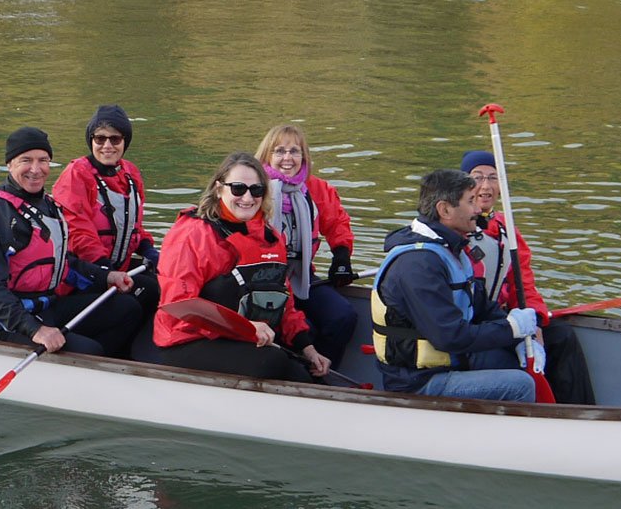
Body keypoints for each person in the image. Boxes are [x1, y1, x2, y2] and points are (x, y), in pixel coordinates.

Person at [0, 127, 143, 358]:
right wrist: (35, 330)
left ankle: (100, 370)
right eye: (25, 160)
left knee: (127, 309)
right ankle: (89, 367)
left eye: (43, 160)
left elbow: (62, 263)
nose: (36, 169)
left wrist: (107, 276)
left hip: (45, 306)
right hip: (4, 320)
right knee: (90, 351)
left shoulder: (47, 204)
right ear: (9, 164)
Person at [154, 152, 330, 382]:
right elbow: (179, 305)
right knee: (273, 361)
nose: (247, 198)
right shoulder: (191, 234)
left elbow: (283, 299)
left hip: (243, 336)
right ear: (219, 189)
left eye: (256, 190)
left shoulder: (271, 237)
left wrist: (307, 347)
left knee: (305, 369)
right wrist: (245, 328)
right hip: (187, 339)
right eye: (238, 188)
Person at [370, 169, 536, 402]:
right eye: (470, 202)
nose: (478, 209)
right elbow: (450, 337)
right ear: (445, 210)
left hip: (450, 360)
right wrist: (511, 329)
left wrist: (519, 338)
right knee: (520, 385)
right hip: (419, 381)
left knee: (510, 358)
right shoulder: (418, 265)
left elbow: (480, 305)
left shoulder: (450, 248)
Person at [460, 150, 595, 405]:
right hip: (476, 321)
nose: (485, 186)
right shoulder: (457, 228)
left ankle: (581, 410)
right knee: (507, 354)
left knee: (561, 336)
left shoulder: (506, 228)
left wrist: (534, 322)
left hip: (504, 315)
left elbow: (524, 285)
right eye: (477, 178)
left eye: (493, 178)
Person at [254, 124, 358, 366]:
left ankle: (321, 373)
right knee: (305, 329)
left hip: (302, 274)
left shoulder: (315, 188)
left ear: (304, 155)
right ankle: (296, 374)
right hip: (264, 278)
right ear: (267, 155)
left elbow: (337, 222)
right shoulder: (253, 190)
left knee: (343, 316)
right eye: (279, 151)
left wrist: (341, 256)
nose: (287, 158)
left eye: (294, 151)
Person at [51, 105, 161, 318]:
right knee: (129, 307)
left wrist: (148, 250)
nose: (107, 146)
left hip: (116, 272)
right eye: (100, 139)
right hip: (81, 275)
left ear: (125, 141)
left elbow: (133, 227)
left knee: (154, 290)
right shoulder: (76, 175)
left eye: (115, 139)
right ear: (91, 141)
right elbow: (77, 233)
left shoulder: (131, 174)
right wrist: (106, 271)